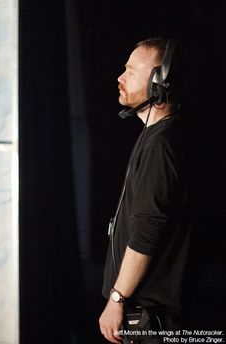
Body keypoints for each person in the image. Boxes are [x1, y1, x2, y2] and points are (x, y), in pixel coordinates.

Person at [99, 37, 192, 344]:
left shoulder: (162, 146)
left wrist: (117, 298)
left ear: (159, 83)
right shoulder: (155, 138)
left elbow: (148, 230)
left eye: (130, 70)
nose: (120, 77)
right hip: (141, 316)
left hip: (149, 320)